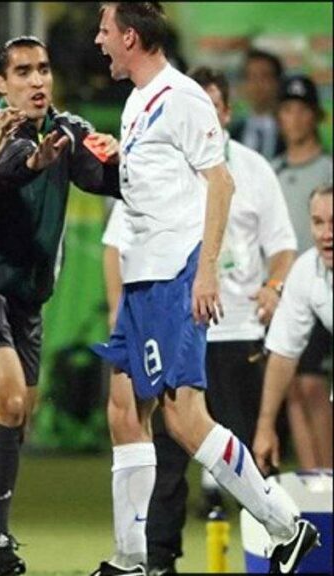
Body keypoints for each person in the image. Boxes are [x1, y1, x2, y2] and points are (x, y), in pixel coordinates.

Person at [92, 3, 318, 574]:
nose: (98, 41)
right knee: (123, 411)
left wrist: (206, 269)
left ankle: (287, 526)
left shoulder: (184, 96)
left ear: (132, 37)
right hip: (143, 277)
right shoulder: (138, 100)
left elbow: (221, 182)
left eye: (105, 30)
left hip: (173, 274)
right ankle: (130, 558)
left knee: (184, 419)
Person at [0, 33, 121, 572]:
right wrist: (36, 163)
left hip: (25, 299)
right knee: (11, 403)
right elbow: (4, 167)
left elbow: (101, 175)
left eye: (42, 69)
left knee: (13, 419)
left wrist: (130, 161)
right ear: (1, 83)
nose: (37, 80)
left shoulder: (68, 130)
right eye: (22, 72)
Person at [271, 73, 333, 471]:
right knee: (292, 386)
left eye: (301, 110)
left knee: (313, 386)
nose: (294, 119)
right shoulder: (272, 171)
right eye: (287, 110)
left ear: (315, 117)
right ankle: (316, 486)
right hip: (286, 295)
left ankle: (329, 475)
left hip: (322, 291)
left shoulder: (328, 170)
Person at [254, 185, 333, 474]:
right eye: (318, 222)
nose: (327, 234)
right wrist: (265, 426)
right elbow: (284, 354)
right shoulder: (306, 271)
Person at [230, 49, 285, 161]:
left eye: (265, 76)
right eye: (251, 77)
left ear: (278, 82)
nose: (257, 84)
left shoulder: (290, 131)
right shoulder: (233, 133)